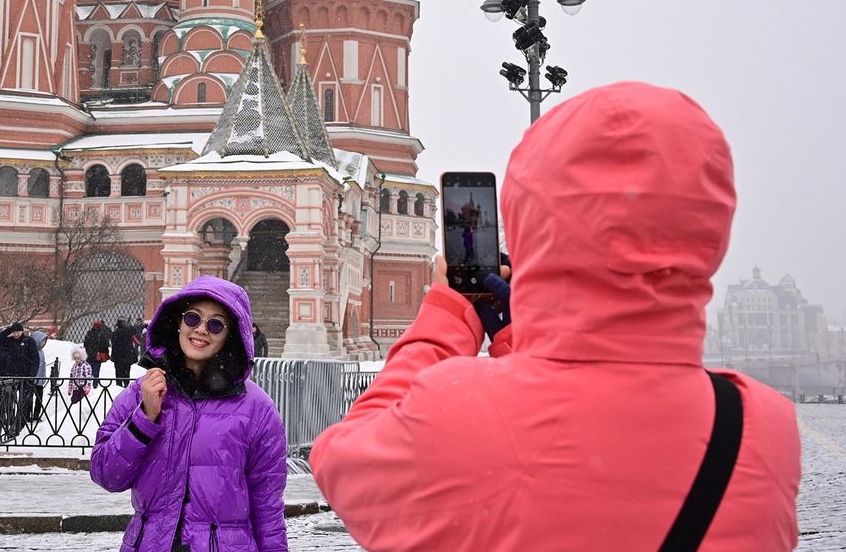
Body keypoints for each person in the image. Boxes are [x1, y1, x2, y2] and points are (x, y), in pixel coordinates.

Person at [310, 82, 801, 550]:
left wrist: (446, 318)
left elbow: (341, 462)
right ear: (711, 225)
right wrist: (521, 343)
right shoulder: (761, 428)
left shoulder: (457, 414)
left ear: (531, 218)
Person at [91, 276, 288, 551]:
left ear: (230, 335)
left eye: (216, 324)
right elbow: (106, 475)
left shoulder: (257, 409)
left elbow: (268, 508)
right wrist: (144, 418)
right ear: (178, 321)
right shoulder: (142, 393)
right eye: (193, 318)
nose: (201, 330)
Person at [0, 322, 40, 439]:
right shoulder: (9, 341)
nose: (16, 334)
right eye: (14, 332)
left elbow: (35, 359)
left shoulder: (29, 341)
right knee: (9, 401)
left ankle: (20, 425)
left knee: (24, 402)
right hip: (11, 377)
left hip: (25, 378)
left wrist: (31, 375)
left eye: (18, 332)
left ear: (22, 331)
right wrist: (9, 329)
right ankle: (11, 425)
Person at [66, 345, 92, 428]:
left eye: (78, 358)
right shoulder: (74, 366)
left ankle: (80, 419)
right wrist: (70, 388)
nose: (77, 360)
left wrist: (87, 387)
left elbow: (88, 377)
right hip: (75, 387)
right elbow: (71, 377)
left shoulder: (86, 366)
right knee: (74, 401)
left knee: (81, 403)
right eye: (75, 358)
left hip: (82, 388)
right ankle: (73, 418)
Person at [110, 318, 138, 387]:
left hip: (118, 356)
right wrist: (129, 324)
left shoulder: (115, 333)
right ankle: (126, 384)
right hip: (127, 355)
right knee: (127, 371)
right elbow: (134, 331)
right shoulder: (128, 332)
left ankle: (119, 384)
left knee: (118, 372)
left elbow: (113, 344)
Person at [30, 330, 50, 419]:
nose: (44, 343)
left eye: (45, 341)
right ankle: (28, 414)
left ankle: (36, 414)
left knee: (39, 398)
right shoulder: (32, 351)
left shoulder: (41, 351)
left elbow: (43, 365)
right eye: (43, 341)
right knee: (30, 398)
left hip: (40, 380)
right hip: (32, 379)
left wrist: (43, 376)